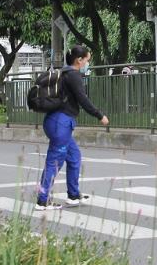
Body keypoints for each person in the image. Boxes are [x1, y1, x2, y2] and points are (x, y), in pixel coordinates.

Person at [35, 45, 109, 210]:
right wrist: (100, 115)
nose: (87, 63)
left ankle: (73, 196)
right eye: (87, 60)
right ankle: (42, 200)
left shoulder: (64, 73)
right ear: (79, 60)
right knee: (54, 162)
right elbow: (83, 99)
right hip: (60, 123)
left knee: (74, 156)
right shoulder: (73, 75)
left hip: (56, 121)